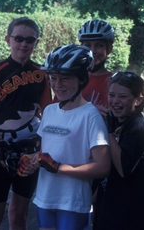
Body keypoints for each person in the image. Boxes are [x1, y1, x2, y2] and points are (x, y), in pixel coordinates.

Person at [18, 44, 111, 230]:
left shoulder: (90, 115)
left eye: (65, 78)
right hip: (45, 198)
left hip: (72, 201)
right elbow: (46, 153)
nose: (57, 85)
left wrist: (59, 168)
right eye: (53, 78)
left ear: (82, 79)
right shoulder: (50, 111)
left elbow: (103, 167)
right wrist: (32, 161)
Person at [0, 17, 52, 230]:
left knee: (18, 214)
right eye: (19, 38)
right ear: (8, 40)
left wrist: (41, 145)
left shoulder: (42, 73)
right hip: (0, 150)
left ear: (36, 43)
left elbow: (48, 113)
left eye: (30, 39)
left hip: (29, 153)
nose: (24, 44)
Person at [93, 71, 144, 230]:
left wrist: (108, 131)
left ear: (138, 100)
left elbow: (122, 168)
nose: (115, 101)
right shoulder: (118, 120)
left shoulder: (138, 127)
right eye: (111, 95)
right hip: (110, 206)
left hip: (128, 214)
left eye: (123, 96)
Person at [78, 19, 115, 106]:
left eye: (99, 45)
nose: (93, 51)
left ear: (109, 49)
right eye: (88, 45)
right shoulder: (71, 80)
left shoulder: (114, 83)